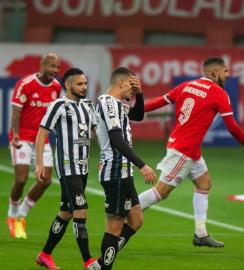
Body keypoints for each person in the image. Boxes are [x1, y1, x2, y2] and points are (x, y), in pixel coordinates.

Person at [139, 57, 244, 248]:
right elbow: (232, 127)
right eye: (225, 71)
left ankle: (201, 234)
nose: (228, 75)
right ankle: (125, 210)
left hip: (187, 147)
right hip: (184, 150)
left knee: (204, 183)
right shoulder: (219, 93)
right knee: (161, 192)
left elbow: (158, 102)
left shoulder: (186, 86)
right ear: (213, 73)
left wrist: (134, 110)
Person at [34, 68, 100, 270]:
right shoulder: (58, 106)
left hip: (83, 167)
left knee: (66, 212)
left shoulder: (88, 106)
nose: (84, 87)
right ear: (68, 85)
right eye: (79, 84)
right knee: (81, 210)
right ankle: (88, 261)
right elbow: (41, 134)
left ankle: (45, 254)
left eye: (85, 83)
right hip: (67, 166)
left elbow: (96, 132)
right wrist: (39, 164)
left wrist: (106, 154)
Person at [95, 67, 157, 269]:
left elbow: (138, 115)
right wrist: (141, 165)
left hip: (123, 171)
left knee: (136, 219)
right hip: (114, 169)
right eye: (132, 84)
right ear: (121, 83)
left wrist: (140, 93)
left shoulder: (118, 105)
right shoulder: (107, 102)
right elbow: (115, 138)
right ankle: (104, 266)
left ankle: (101, 263)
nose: (133, 88)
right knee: (115, 225)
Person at [7, 53, 62, 239]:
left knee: (45, 180)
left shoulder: (56, 87)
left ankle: (21, 214)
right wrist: (15, 134)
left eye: (57, 67)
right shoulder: (26, 84)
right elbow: (16, 111)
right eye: (52, 66)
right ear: (43, 65)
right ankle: (12, 211)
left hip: (42, 138)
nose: (55, 71)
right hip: (21, 136)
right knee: (21, 179)